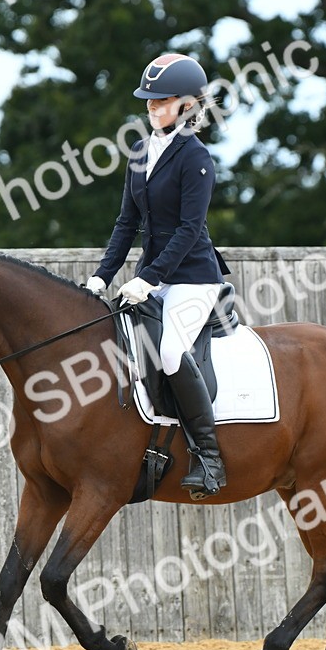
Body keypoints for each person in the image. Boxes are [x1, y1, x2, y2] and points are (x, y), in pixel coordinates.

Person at [86, 53, 227, 499]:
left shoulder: (196, 157)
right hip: (158, 276)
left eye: (160, 101)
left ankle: (209, 457)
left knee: (167, 351)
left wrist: (148, 277)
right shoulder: (141, 151)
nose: (151, 108)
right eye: (148, 101)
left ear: (188, 105)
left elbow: (189, 230)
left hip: (194, 279)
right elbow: (126, 223)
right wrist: (101, 277)